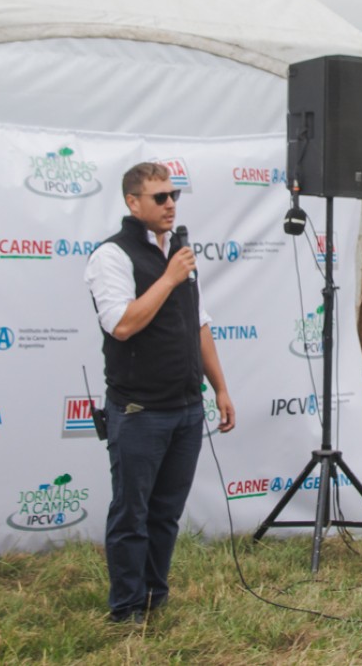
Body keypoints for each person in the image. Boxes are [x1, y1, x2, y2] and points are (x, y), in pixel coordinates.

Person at [84, 163, 236, 624]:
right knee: (132, 513)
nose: (170, 204)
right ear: (133, 203)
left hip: (187, 408)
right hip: (139, 409)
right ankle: (126, 608)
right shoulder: (112, 256)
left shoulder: (178, 252)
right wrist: (169, 277)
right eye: (159, 197)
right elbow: (123, 324)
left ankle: (155, 595)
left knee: (166, 512)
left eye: (174, 195)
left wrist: (221, 387)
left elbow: (199, 322)